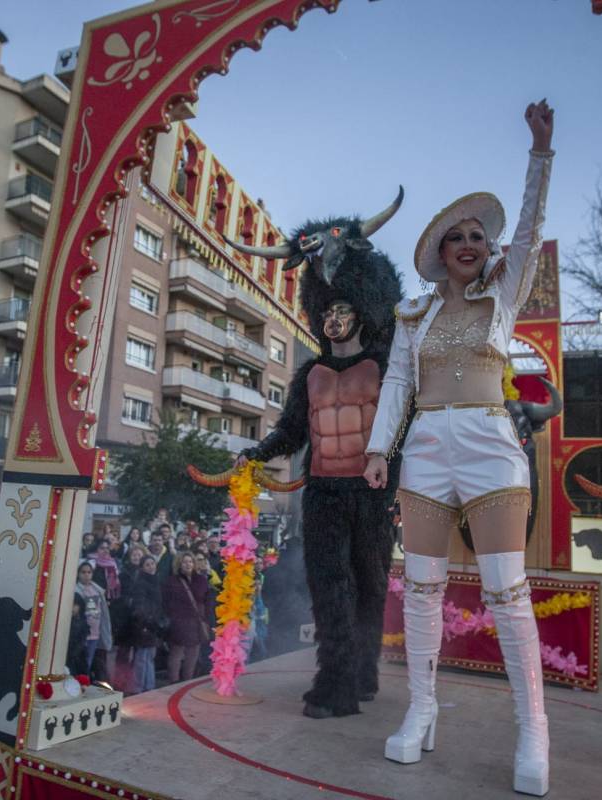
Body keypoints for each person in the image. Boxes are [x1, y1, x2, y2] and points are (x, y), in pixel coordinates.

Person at [361, 100, 554, 793]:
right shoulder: (414, 315)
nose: (472, 243)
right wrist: (381, 447)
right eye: (458, 238)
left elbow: (529, 230)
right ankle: (420, 712)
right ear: (441, 254)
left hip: (491, 443)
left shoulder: (502, 298)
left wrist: (539, 155)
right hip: (426, 453)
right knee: (419, 590)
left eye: (479, 235)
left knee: (507, 590)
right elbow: (397, 380)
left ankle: (533, 732)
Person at [227, 184, 405, 719]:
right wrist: (255, 454)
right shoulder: (310, 373)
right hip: (323, 493)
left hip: (373, 495)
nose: (334, 321)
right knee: (330, 588)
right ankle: (336, 686)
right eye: (327, 314)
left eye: (344, 311)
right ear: (318, 317)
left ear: (360, 313)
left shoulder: (388, 366)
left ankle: (362, 672)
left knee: (370, 587)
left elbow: (401, 426)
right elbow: (291, 434)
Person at [162, 553, 214, 683]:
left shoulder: (201, 580)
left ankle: (187, 681)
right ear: (179, 564)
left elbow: (208, 601)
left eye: (190, 561)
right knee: (176, 654)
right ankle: (173, 682)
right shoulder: (172, 581)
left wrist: (208, 620)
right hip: (179, 622)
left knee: (193, 654)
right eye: (185, 562)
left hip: (197, 622)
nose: (188, 564)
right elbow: (167, 602)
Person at [127, 555, 164, 694]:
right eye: (147, 564)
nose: (151, 566)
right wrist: (147, 620)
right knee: (142, 658)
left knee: (149, 656)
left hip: (153, 624)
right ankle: (138, 687)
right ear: (142, 567)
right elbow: (139, 605)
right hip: (143, 625)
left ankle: (149, 685)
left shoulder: (156, 581)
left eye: (152, 563)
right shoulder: (141, 583)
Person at [73, 562, 112, 681]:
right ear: (78, 574)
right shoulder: (76, 590)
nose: (86, 575)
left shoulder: (97, 590)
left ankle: (85, 681)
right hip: (82, 631)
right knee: (80, 659)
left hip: (95, 631)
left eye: (89, 572)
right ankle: (80, 681)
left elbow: (103, 612)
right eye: (83, 572)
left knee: (90, 659)